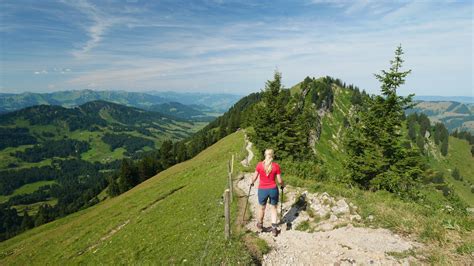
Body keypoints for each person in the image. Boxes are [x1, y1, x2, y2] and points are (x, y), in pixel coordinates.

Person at [250, 148, 284, 236]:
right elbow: (280, 180)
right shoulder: (276, 166)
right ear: (272, 155)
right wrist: (282, 185)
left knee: (262, 208)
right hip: (273, 189)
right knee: (273, 208)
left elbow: (254, 177)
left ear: (265, 155)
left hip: (262, 190)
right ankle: (274, 229)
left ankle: (260, 225)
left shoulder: (259, 165)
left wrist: (252, 182)